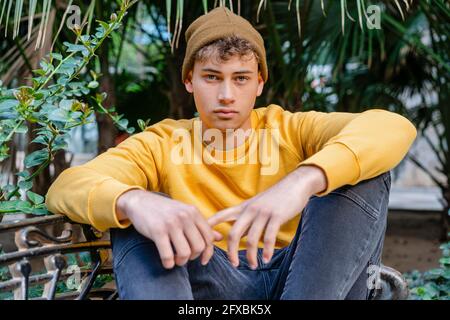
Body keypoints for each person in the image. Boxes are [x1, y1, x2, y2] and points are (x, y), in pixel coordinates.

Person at [45, 6, 417, 300]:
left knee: (358, 174)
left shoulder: (291, 128)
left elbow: (393, 126)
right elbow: (66, 186)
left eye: (240, 78)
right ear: (189, 80)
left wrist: (302, 182)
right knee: (137, 213)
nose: (226, 95)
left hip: (308, 282)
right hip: (211, 280)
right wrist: (136, 202)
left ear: (259, 83)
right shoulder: (161, 142)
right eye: (212, 77)